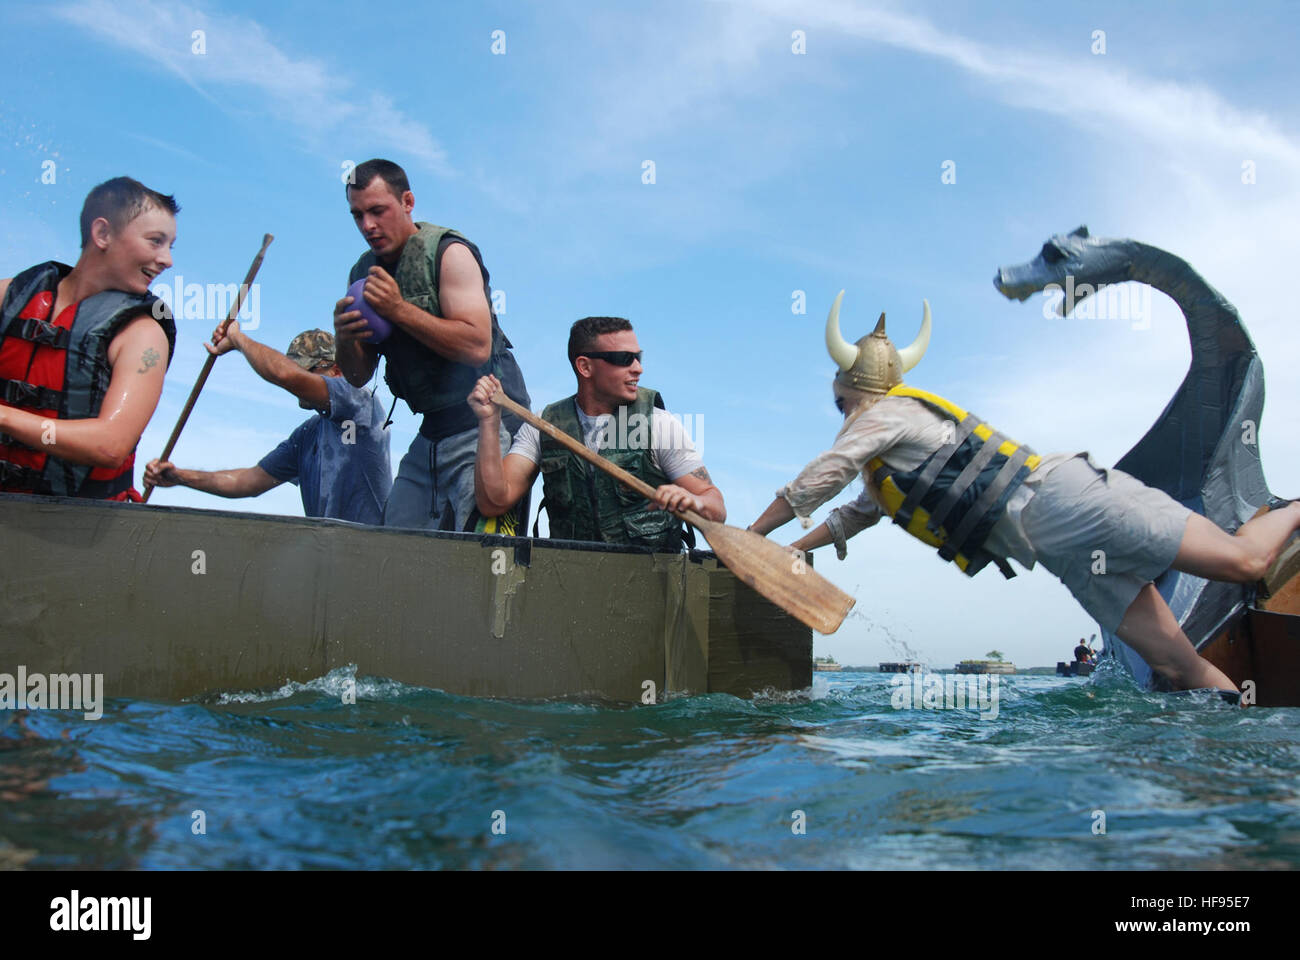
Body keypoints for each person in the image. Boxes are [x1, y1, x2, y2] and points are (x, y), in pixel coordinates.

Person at [747, 292, 1300, 694]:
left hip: (1073, 503)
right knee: (1181, 670)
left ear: (854, 391)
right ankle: (1240, 777)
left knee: (1248, 561)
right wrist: (792, 551)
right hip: (1068, 558)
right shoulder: (887, 464)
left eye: (840, 402)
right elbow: (855, 515)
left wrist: (753, 534)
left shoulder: (889, 413)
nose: (840, 414)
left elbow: (823, 474)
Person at [332, 158, 530, 532]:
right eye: (357, 215)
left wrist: (398, 310)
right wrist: (344, 336)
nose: (368, 226)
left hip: (489, 424)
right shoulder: (362, 273)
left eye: (378, 211)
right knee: (393, 546)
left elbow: (476, 347)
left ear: (407, 201)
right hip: (433, 431)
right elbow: (358, 377)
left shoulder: (449, 253)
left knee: (483, 556)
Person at [468, 316, 725, 549]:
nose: (638, 368)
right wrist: (489, 423)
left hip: (650, 586)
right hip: (570, 583)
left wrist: (694, 501)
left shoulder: (659, 425)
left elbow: (716, 508)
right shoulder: (543, 427)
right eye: (624, 359)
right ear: (585, 367)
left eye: (638, 357)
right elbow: (495, 501)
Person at [0, 176, 178, 500]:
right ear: (103, 233)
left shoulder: (143, 335)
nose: (167, 259)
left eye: (169, 246)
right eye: (155, 241)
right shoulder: (8, 297)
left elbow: (111, 445)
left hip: (80, 529)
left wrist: (5, 417)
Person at [145, 326, 391, 524]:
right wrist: (180, 477)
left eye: (306, 371)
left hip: (369, 553)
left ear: (336, 370)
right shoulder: (307, 435)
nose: (297, 384)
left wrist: (237, 339)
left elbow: (284, 376)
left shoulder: (358, 400)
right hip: (327, 553)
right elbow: (248, 481)